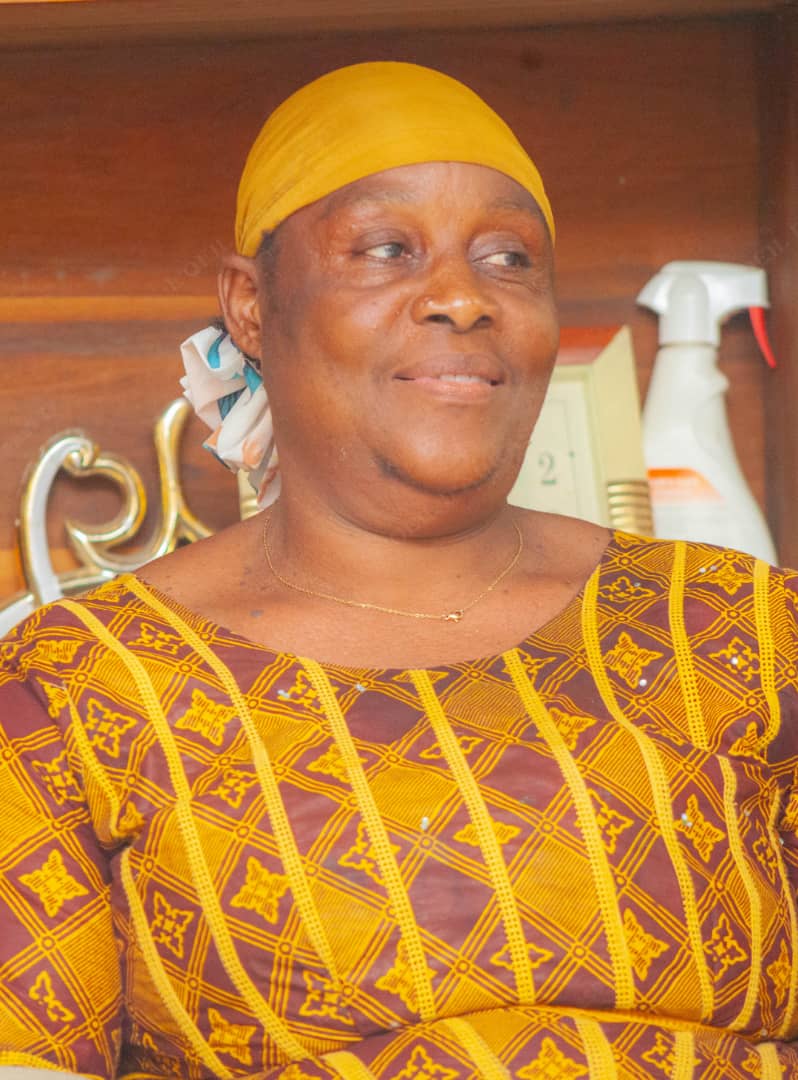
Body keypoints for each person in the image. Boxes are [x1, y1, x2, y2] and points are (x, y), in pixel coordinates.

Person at [1, 61, 797, 1080]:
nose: (462, 298)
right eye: (387, 250)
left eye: (509, 258)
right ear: (250, 305)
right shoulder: (81, 688)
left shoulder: (737, 627)